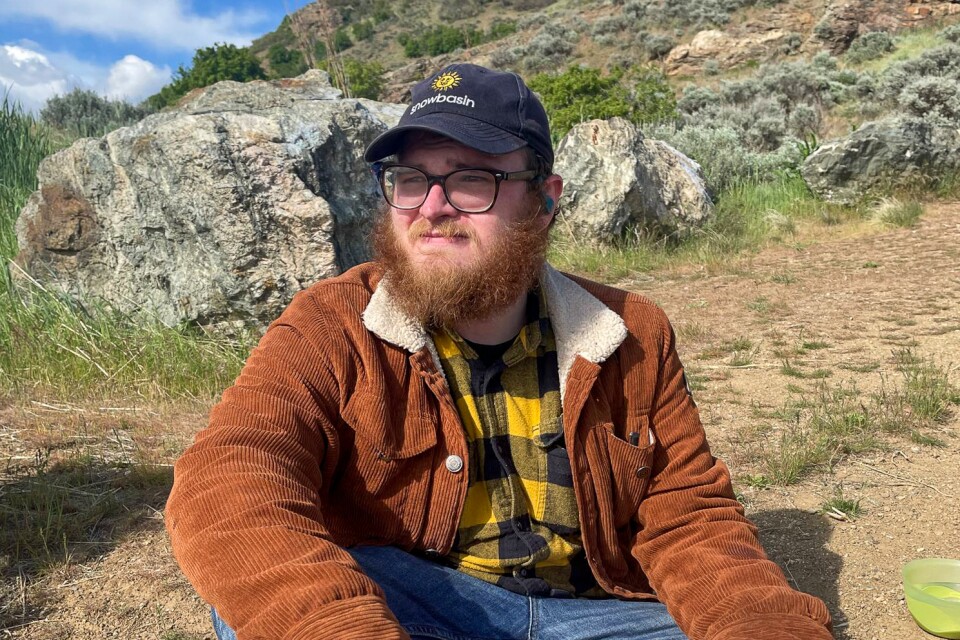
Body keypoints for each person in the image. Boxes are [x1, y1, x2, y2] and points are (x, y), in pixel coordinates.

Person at [166, 63, 833, 640]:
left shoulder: (631, 333)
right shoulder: (333, 324)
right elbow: (232, 476)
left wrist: (757, 621)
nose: (431, 207)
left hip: (591, 618)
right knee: (265, 604)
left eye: (470, 179)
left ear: (544, 201)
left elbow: (690, 518)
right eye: (409, 179)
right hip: (421, 605)